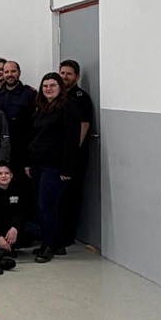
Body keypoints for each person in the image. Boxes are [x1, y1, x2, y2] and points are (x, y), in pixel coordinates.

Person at [26, 72, 81, 263]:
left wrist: (67, 169)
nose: (48, 89)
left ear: (60, 88)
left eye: (52, 85)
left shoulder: (68, 108)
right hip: (39, 163)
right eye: (45, 86)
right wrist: (29, 162)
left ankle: (48, 246)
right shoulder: (41, 107)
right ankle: (56, 243)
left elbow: (72, 140)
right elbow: (34, 136)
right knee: (43, 205)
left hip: (55, 166)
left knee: (46, 205)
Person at [59, 59, 94, 246]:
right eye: (62, 73)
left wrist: (71, 154)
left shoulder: (80, 98)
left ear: (77, 77)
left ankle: (68, 235)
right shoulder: (58, 95)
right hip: (60, 155)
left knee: (71, 195)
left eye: (69, 74)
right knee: (60, 196)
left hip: (75, 157)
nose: (65, 76)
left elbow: (83, 126)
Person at [0, 162, 36, 254]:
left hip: (11, 228)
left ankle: (10, 246)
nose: (4, 176)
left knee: (33, 230)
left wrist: (15, 228)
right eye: (0, 173)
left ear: (11, 175)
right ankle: (4, 247)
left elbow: (23, 211)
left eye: (7, 173)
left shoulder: (19, 190)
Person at [0, 61, 35, 173]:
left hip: (21, 150)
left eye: (13, 71)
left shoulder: (29, 94)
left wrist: (29, 159)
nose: (10, 74)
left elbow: (33, 126)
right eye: (6, 72)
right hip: (0, 150)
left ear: (19, 72)